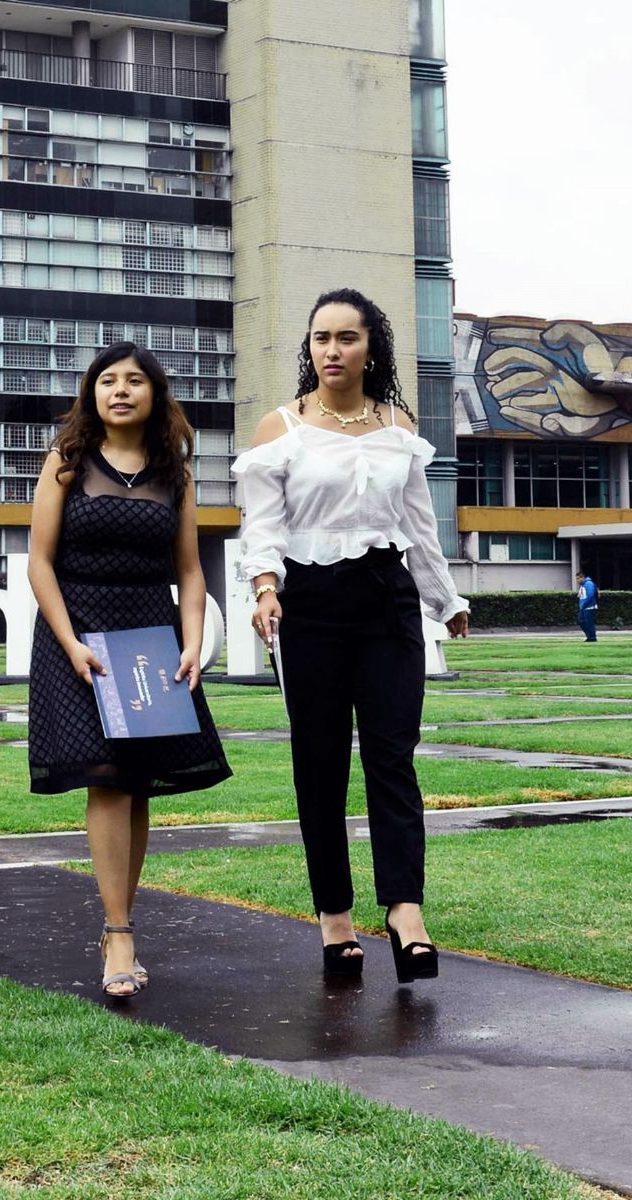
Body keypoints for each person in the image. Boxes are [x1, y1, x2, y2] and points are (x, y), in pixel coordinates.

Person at [232, 288, 469, 984]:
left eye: (346, 338)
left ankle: (405, 912)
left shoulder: (399, 424)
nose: (332, 351)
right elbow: (263, 527)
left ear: (372, 347)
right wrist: (266, 589)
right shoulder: (280, 430)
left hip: (387, 601)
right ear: (308, 350)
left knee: (393, 757)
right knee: (322, 764)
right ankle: (335, 921)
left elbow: (420, 527)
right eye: (320, 339)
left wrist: (444, 598)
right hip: (309, 605)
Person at [28, 342, 231, 998]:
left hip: (148, 634)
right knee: (105, 777)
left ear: (155, 393)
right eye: (107, 381)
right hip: (77, 636)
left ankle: (122, 921)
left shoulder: (176, 472)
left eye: (134, 381)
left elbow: (192, 571)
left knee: (136, 782)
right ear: (92, 394)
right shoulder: (66, 460)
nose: (120, 390)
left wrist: (193, 642)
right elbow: (39, 560)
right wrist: (69, 641)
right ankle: (118, 934)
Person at [576, 570, 599, 641]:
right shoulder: (583, 585)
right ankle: (590, 636)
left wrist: (584, 604)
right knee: (581, 621)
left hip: (589, 607)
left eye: (578, 578)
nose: (577, 581)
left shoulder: (588, 584)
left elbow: (590, 595)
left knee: (588, 622)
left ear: (582, 577)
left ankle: (592, 637)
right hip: (584, 607)